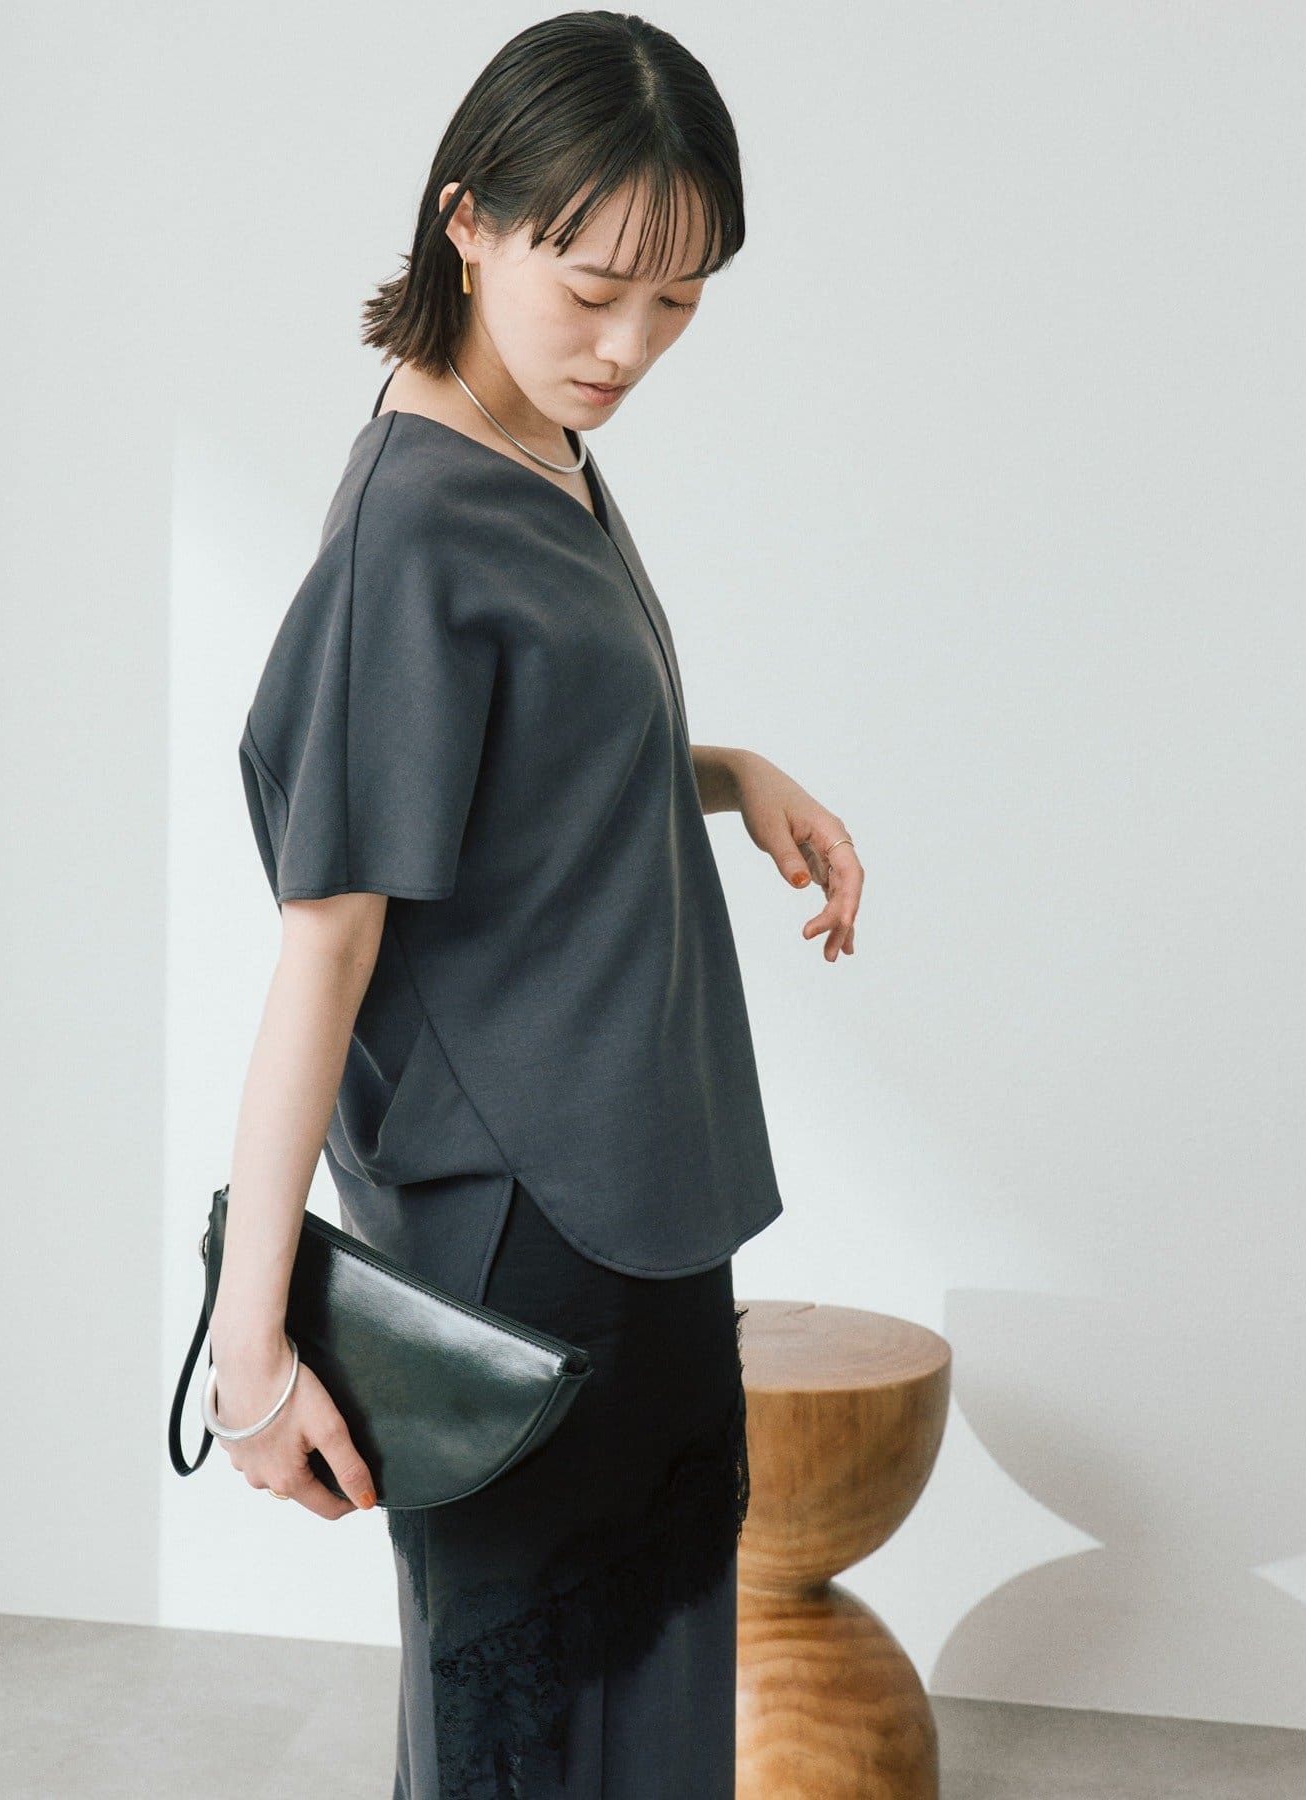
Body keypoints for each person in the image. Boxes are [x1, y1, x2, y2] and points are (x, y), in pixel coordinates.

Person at [206, 12, 864, 1797]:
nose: (629, 344)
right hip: (528, 1236)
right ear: (468, 219)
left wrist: (725, 771)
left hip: (636, 1192)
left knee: (636, 1707)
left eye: (679, 300)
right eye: (592, 287)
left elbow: (517, 762)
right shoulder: (412, 529)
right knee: (535, 1728)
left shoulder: (536, 442)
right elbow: (327, 940)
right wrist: (250, 1348)